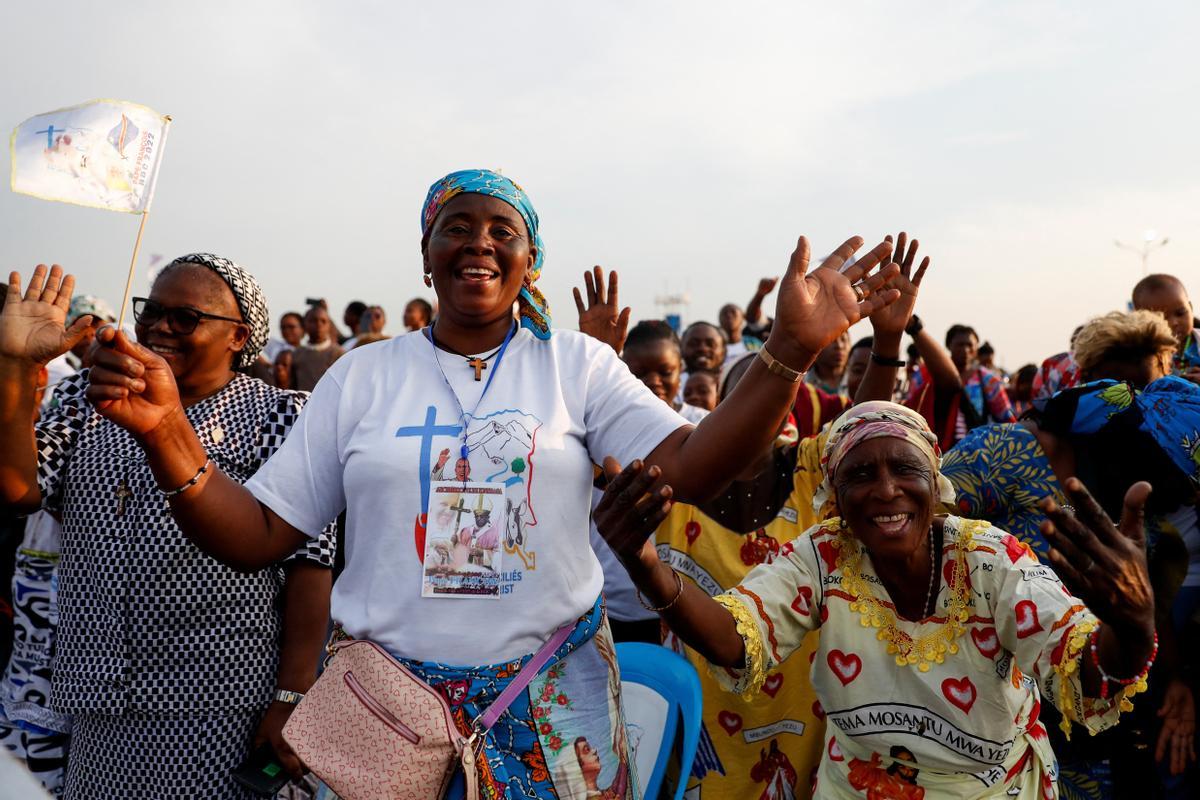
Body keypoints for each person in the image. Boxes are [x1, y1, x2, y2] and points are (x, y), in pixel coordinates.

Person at [80, 168, 904, 799]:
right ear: (427, 254)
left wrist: (787, 352)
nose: (478, 242)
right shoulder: (363, 378)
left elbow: (695, 464)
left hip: (550, 701)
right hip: (387, 712)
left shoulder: (575, 365)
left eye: (500, 229)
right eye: (455, 228)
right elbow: (258, 532)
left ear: (530, 258)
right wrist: (167, 435)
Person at [595, 400, 1159, 798]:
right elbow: (736, 637)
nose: (886, 489)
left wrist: (1133, 624)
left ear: (934, 482)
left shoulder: (991, 559)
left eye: (905, 470)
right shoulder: (825, 554)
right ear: (834, 497)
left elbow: (1085, 671)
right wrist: (645, 563)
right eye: (861, 474)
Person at [0, 257, 336, 799]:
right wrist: (13, 370)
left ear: (239, 336)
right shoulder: (88, 396)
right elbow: (18, 490)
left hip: (222, 701)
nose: (159, 327)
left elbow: (309, 564)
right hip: (100, 696)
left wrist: (292, 695)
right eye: (151, 311)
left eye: (184, 317)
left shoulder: (283, 414)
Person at [650, 246, 927, 799]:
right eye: (747, 398)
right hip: (701, 712)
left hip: (808, 704)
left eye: (779, 396)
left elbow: (862, 431)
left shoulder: (807, 473)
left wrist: (889, 341)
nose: (763, 413)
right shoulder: (668, 480)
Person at [939, 309, 1199, 796]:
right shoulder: (1009, 453)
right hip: (983, 720)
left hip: (1088, 739)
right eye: (1176, 478)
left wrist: (1175, 683)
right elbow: (911, 517)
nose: (1181, 497)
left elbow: (1140, 614)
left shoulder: (1147, 518)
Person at [906, 321, 1015, 448]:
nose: (965, 350)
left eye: (970, 345)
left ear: (976, 349)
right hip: (932, 446)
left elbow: (1006, 418)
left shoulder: (987, 379)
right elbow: (912, 408)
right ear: (948, 346)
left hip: (975, 451)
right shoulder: (926, 373)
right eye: (960, 345)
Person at [1133, 273, 1200, 383]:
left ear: (1191, 308)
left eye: (1180, 313)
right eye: (1161, 318)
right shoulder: (1140, 357)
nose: (1173, 323)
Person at [289, 305, 344, 391]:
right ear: (304, 325)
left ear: (329, 325)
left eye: (323, 321)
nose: (319, 324)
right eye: (313, 321)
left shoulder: (338, 353)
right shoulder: (297, 354)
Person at [805, 331, 850, 396]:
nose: (839, 346)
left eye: (843, 339)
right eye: (832, 340)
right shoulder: (801, 384)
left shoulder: (858, 381)